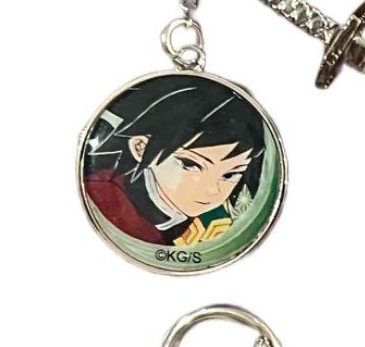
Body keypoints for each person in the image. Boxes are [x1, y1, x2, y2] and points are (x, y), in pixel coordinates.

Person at [83, 76, 266, 249]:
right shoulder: (109, 198)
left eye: (230, 175)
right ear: (140, 148)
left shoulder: (222, 217)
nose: (212, 189)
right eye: (190, 164)